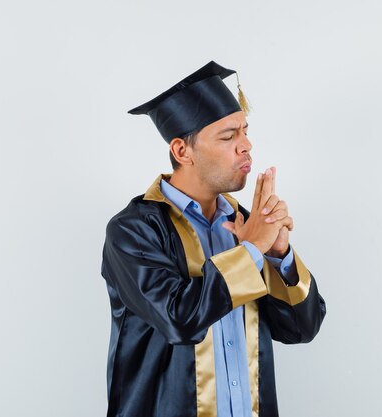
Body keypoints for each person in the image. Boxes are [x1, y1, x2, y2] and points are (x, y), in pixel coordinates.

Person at [100, 60, 326, 417]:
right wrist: (251, 250)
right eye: (228, 136)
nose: (246, 145)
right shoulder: (134, 230)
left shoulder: (246, 224)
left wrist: (278, 253)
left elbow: (301, 329)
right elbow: (179, 319)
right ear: (181, 151)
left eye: (245, 131)